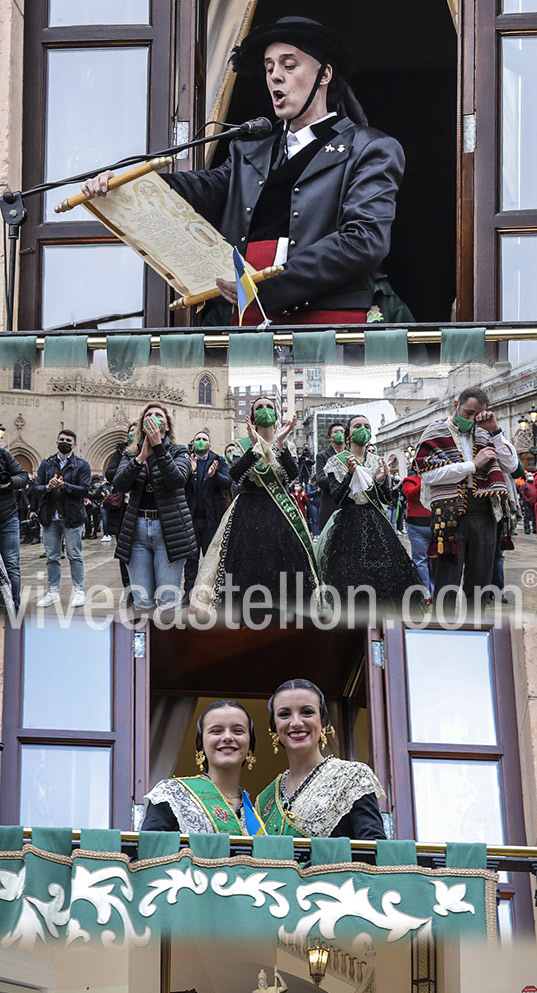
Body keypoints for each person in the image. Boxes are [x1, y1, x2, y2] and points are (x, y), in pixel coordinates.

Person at [82, 16, 404, 327]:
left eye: (289, 65)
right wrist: (131, 186)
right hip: (247, 323)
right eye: (269, 68)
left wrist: (269, 284)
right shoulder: (249, 151)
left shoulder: (370, 148)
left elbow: (364, 240)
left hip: (324, 325)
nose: (276, 75)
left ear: (324, 75)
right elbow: (202, 189)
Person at [190, 397, 319, 619]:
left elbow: (291, 475)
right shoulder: (242, 445)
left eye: (270, 407)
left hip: (281, 514)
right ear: (252, 416)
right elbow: (236, 475)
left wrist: (279, 444)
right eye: (260, 407)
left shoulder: (286, 444)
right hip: (248, 514)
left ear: (276, 415)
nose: (265, 411)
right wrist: (255, 447)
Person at [414, 387, 518, 611]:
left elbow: (510, 465)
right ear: (455, 406)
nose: (471, 419)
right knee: (446, 582)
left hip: (485, 516)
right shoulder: (435, 432)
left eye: (477, 414)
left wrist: (495, 431)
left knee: (481, 581)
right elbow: (429, 474)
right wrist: (473, 465)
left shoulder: (485, 434)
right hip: (449, 516)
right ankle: (444, 630)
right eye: (468, 413)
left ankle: (475, 630)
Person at [256, 679, 387, 838]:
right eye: (284, 714)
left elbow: (373, 847)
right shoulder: (264, 801)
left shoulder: (353, 776)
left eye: (307, 712)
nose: (296, 722)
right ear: (274, 728)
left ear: (323, 722)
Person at [316, 416, 421, 613]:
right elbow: (337, 498)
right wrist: (350, 474)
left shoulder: (376, 461)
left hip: (376, 522)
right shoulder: (335, 462)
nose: (362, 429)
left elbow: (387, 499)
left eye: (366, 426)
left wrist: (380, 480)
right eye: (357, 426)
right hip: (348, 524)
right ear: (348, 434)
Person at [111, 402, 196, 612]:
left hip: (169, 531)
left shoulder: (179, 451)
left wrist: (159, 449)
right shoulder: (130, 454)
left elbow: (177, 480)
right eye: (149, 415)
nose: (154, 418)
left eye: (159, 415)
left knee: (168, 601)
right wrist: (140, 458)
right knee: (142, 602)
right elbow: (119, 484)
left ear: (166, 426)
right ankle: (145, 644)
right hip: (136, 530)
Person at [141, 700, 256, 833]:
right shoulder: (172, 794)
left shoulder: (256, 812)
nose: (227, 737)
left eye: (237, 730)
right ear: (201, 745)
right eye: (216, 731)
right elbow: (151, 849)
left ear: (249, 745)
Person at [34, 429, 91, 608]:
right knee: (52, 556)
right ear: (56, 442)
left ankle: (79, 590)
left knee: (74, 555)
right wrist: (48, 487)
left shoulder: (82, 465)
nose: (64, 442)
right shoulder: (46, 464)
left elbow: (84, 490)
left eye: (68, 440)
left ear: (74, 444)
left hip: (71, 517)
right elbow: (35, 488)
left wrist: (64, 485)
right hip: (51, 517)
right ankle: (52, 591)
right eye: (61, 439)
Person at [183, 431, 231, 604]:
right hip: (191, 520)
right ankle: (188, 593)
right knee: (191, 560)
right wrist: (189, 472)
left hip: (212, 520)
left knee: (213, 560)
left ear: (210, 444)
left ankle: (213, 595)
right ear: (193, 443)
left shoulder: (219, 460)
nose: (201, 442)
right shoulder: (187, 460)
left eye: (204, 440)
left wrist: (214, 475)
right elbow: (178, 485)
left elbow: (227, 482)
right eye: (198, 439)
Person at [105, 421, 138, 594]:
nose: (133, 434)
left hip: (141, 508)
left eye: (136, 431)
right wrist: (129, 467)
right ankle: (128, 588)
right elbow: (110, 474)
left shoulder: (147, 450)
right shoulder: (119, 453)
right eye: (130, 431)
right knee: (124, 551)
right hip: (123, 509)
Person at [0, 443, 28, 609]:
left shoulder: (3, 454)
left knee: (11, 563)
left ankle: (14, 606)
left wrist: (9, 482)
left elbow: (23, 476)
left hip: (8, 517)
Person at [401, 473, 433, 600]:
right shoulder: (409, 480)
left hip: (435, 524)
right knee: (421, 562)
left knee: (435, 562)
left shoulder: (437, 478)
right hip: (417, 527)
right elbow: (411, 495)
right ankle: (426, 594)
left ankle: (435, 591)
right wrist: (427, 479)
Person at [316, 423, 347, 532]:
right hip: (331, 506)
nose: (339, 434)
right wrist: (340, 474)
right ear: (329, 438)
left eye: (342, 432)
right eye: (336, 432)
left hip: (348, 506)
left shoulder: (351, 454)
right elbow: (320, 481)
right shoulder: (322, 456)